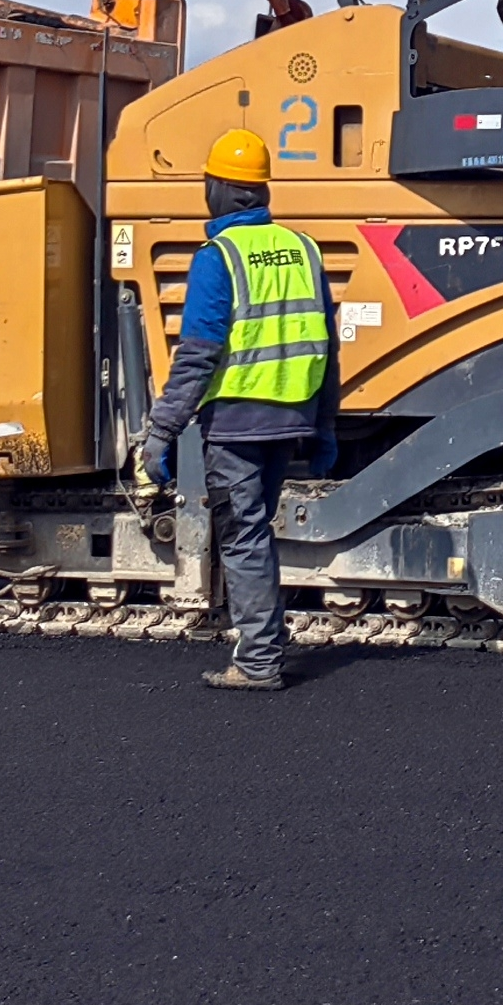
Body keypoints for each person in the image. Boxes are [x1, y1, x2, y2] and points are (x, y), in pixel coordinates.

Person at [137, 128, 339, 691]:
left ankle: (258, 663)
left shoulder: (217, 257)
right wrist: (323, 428)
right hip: (290, 419)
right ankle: (266, 646)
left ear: (221, 189)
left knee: (244, 535)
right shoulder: (304, 250)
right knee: (257, 532)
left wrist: (161, 433)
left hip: (237, 425)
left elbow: (198, 355)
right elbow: (328, 346)